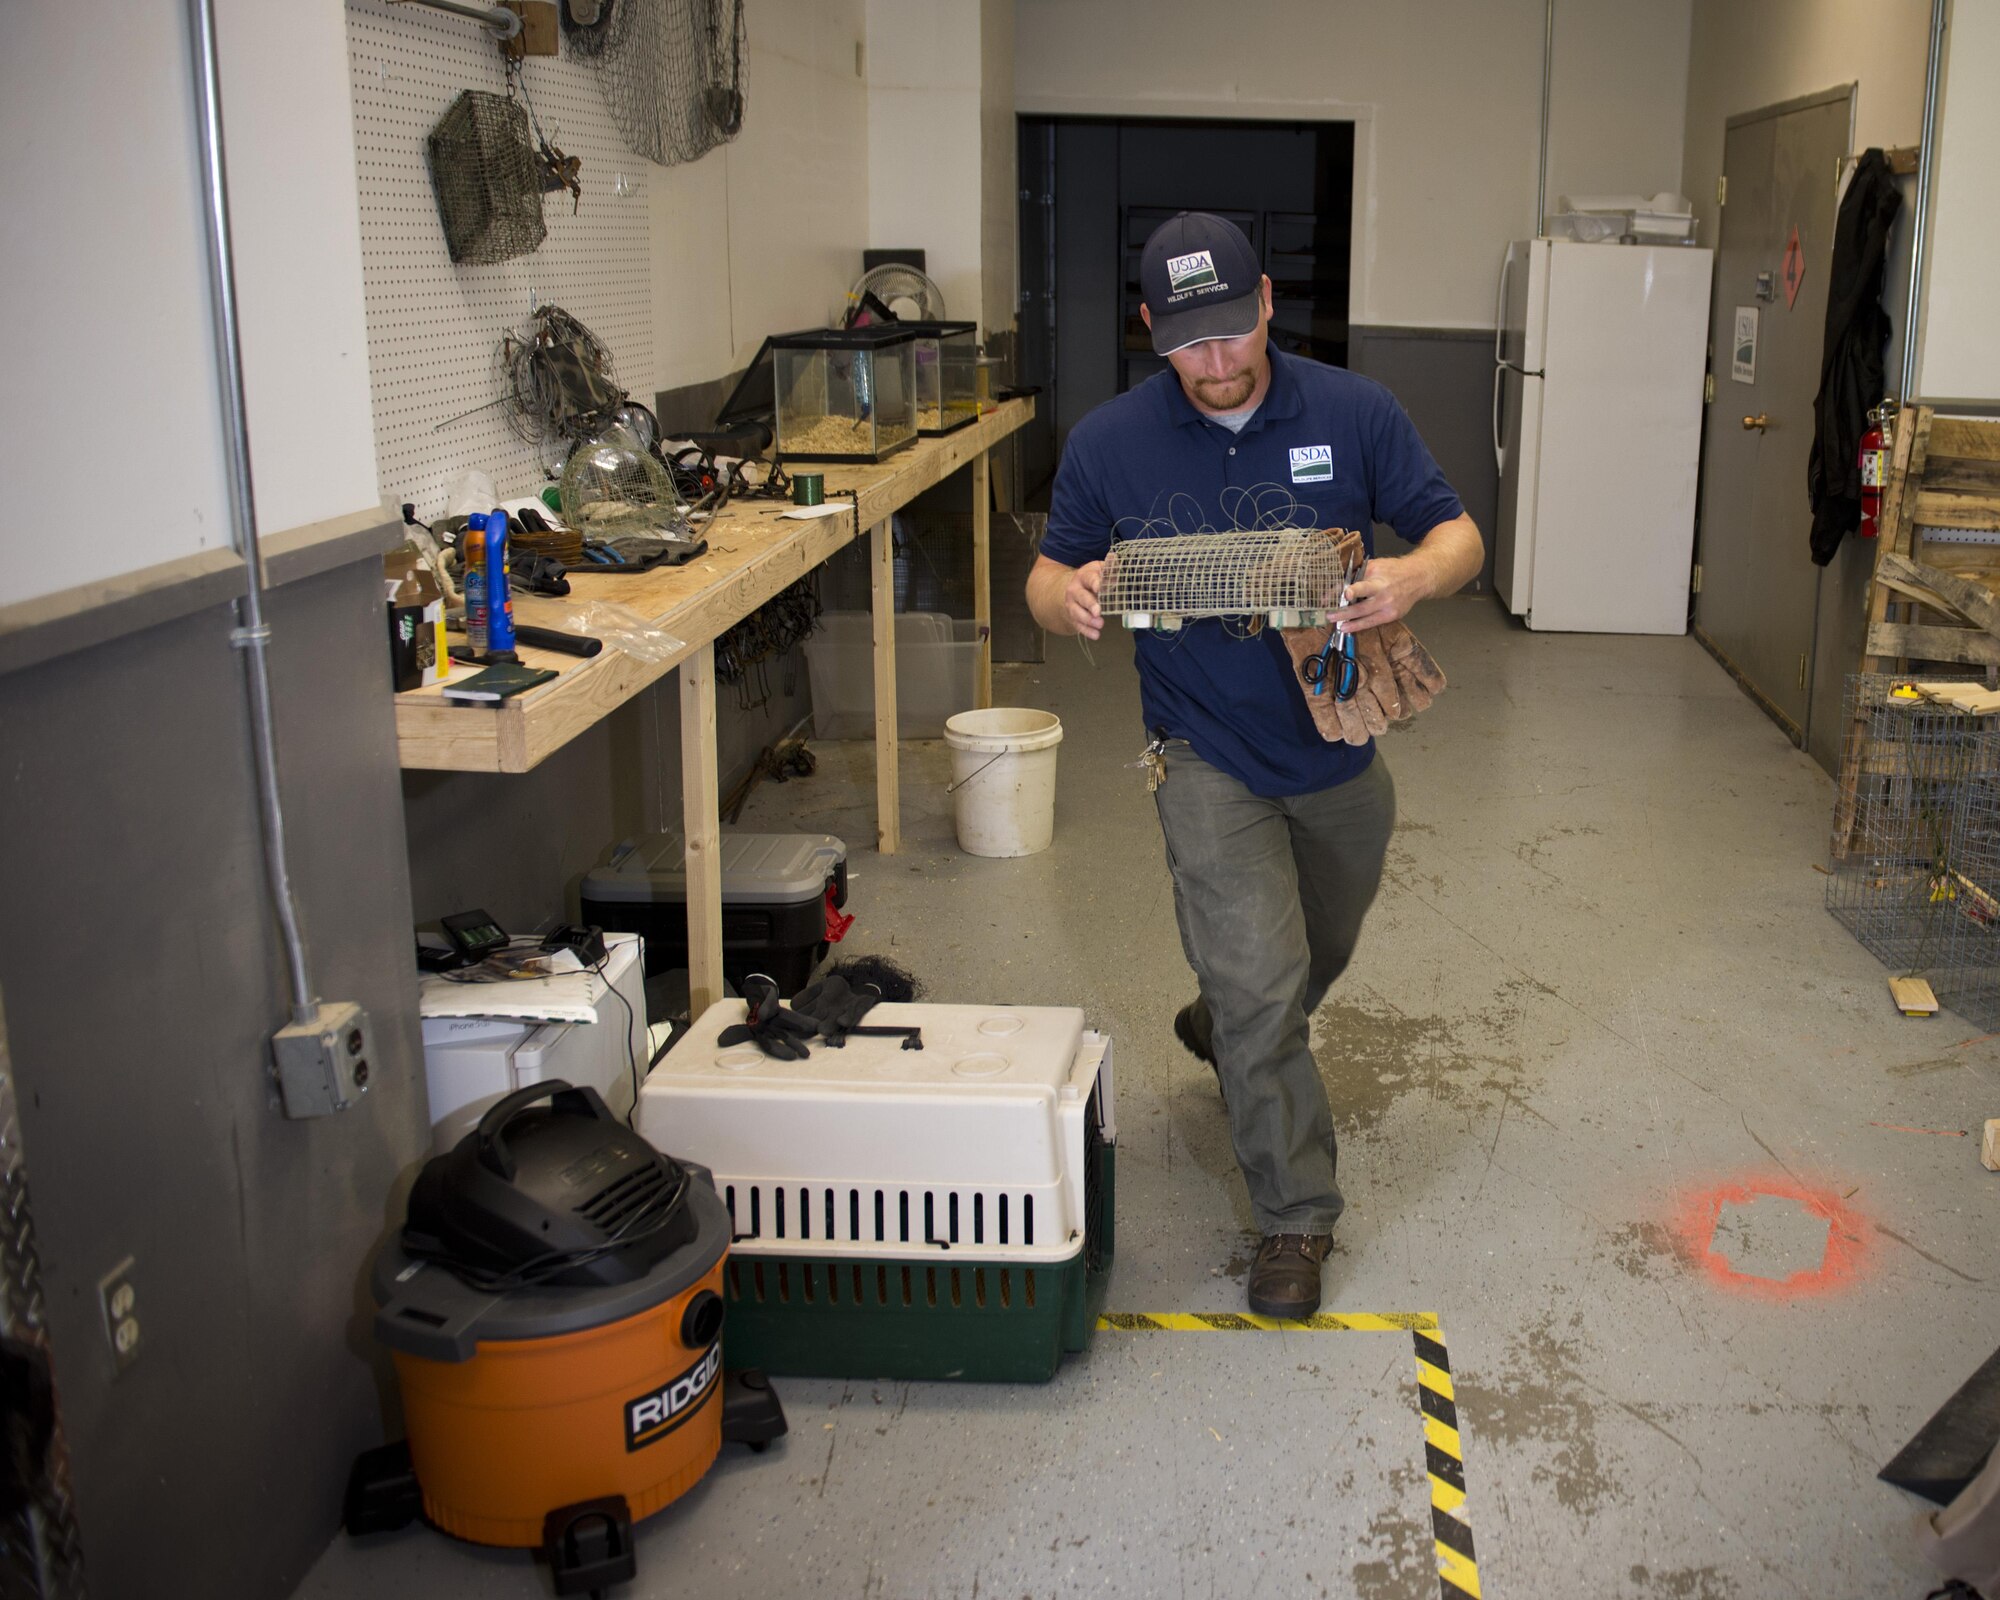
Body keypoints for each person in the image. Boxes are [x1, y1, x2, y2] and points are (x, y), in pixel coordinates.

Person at [1025, 212, 1483, 1318]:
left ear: (1266, 303)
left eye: (1233, 331)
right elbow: (1045, 577)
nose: (1217, 362)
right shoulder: (1107, 442)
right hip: (1201, 751)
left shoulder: (1351, 412)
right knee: (1262, 982)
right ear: (1151, 331)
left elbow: (1456, 536)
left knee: (1313, 946)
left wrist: (1409, 580)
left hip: (1333, 744)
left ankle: (1227, 1024)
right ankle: (1293, 1216)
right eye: (1190, 342)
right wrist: (1069, 597)